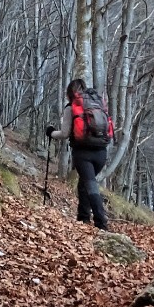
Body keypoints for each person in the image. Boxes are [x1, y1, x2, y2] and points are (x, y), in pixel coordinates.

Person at [47, 78, 111, 230]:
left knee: (90, 184)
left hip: (83, 153)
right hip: (101, 153)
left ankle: (101, 222)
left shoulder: (71, 107)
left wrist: (50, 132)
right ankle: (83, 218)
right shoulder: (98, 104)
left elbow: (64, 134)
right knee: (84, 183)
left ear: (70, 93)